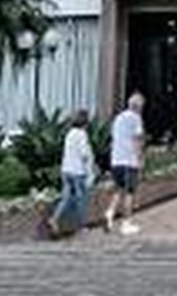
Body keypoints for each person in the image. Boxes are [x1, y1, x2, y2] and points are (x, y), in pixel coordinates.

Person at [101, 92, 148, 235]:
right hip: (129, 161)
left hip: (116, 161)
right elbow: (137, 140)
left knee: (118, 190)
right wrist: (140, 159)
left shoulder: (118, 118)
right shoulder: (136, 118)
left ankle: (109, 213)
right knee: (129, 193)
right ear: (138, 106)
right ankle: (126, 224)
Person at [50, 114, 96, 241]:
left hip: (66, 170)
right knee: (81, 199)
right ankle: (82, 226)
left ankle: (54, 219)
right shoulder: (82, 134)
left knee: (66, 197)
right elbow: (84, 153)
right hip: (77, 171)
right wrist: (91, 167)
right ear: (85, 123)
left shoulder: (69, 134)